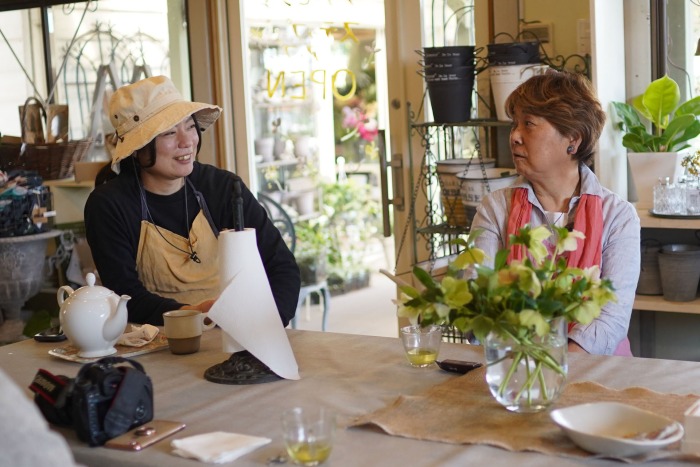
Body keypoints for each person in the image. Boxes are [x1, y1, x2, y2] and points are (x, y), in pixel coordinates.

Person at [84, 76, 300, 326]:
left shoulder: (223, 188)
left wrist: (267, 326)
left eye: (189, 126)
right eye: (169, 132)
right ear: (137, 148)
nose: (187, 142)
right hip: (157, 339)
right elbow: (126, 297)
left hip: (237, 330)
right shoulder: (109, 205)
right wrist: (195, 314)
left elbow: (282, 266)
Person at [471, 70, 640, 356]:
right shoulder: (495, 209)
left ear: (572, 139)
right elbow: (478, 303)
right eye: (514, 124)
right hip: (516, 364)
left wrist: (556, 368)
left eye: (528, 124)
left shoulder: (618, 216)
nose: (514, 136)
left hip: (596, 367)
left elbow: (611, 318)